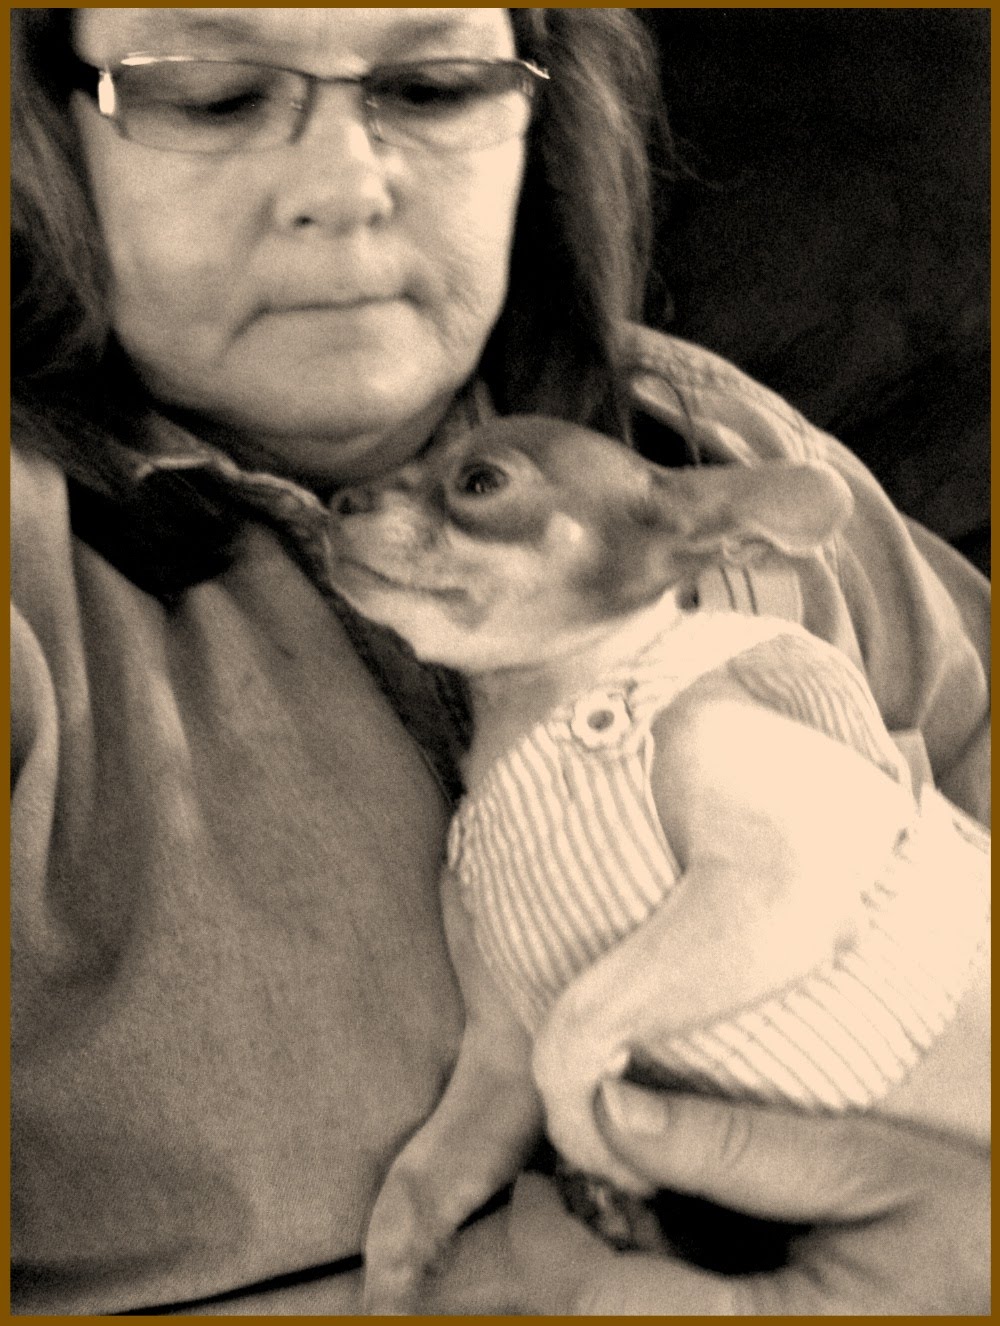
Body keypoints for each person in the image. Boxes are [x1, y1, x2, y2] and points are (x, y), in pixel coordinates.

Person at [10, 6, 989, 1316]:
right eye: (215, 93)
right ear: (46, 129)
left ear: (541, 112)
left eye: (433, 87)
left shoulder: (710, 442)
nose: (345, 187)